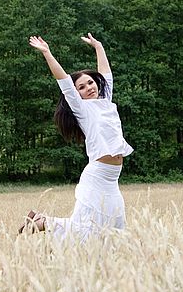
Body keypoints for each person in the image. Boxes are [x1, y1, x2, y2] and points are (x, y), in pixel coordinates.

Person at [20, 33, 134, 241]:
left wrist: (99, 47)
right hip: (97, 176)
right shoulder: (82, 109)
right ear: (77, 94)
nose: (89, 88)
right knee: (84, 229)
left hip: (112, 180)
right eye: (81, 87)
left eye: (90, 83)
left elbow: (106, 74)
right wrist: (47, 53)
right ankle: (44, 222)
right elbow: (63, 80)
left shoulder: (106, 101)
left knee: (114, 231)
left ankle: (104, 270)